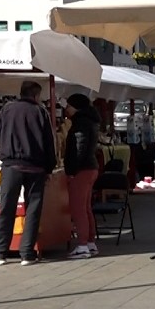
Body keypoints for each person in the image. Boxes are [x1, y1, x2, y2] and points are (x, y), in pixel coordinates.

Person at [0, 80, 57, 266]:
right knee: (33, 210)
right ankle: (27, 253)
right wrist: (50, 168)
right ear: (36, 95)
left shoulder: (7, 109)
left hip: (11, 166)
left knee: (6, 209)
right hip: (36, 168)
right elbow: (49, 143)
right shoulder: (41, 112)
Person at [62, 93, 100, 260]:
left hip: (81, 170)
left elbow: (79, 148)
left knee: (78, 208)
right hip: (90, 167)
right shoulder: (90, 121)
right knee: (85, 207)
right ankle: (90, 242)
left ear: (76, 107)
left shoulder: (80, 123)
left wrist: (71, 170)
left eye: (69, 106)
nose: (66, 109)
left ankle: (83, 245)